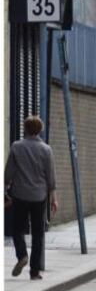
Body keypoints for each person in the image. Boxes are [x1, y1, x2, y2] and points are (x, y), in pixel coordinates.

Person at [5, 116, 58, 280]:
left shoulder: (16, 147)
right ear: (40, 130)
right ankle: (34, 272)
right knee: (38, 234)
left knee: (17, 230)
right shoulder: (46, 149)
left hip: (20, 195)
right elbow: (51, 177)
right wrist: (54, 198)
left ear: (25, 129)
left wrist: (5, 191)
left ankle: (22, 255)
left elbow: (8, 174)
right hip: (39, 196)